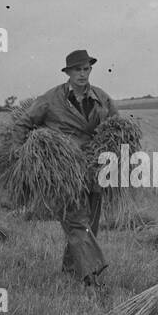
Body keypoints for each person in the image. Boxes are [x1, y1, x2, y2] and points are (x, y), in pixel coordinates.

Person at [25, 49, 120, 287]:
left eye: (86, 69)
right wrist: (23, 153)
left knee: (90, 224)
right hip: (64, 171)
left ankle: (70, 271)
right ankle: (92, 274)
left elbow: (117, 125)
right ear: (68, 72)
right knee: (77, 222)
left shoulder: (102, 98)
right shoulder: (50, 99)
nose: (82, 74)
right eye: (77, 69)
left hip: (96, 170)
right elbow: (24, 123)